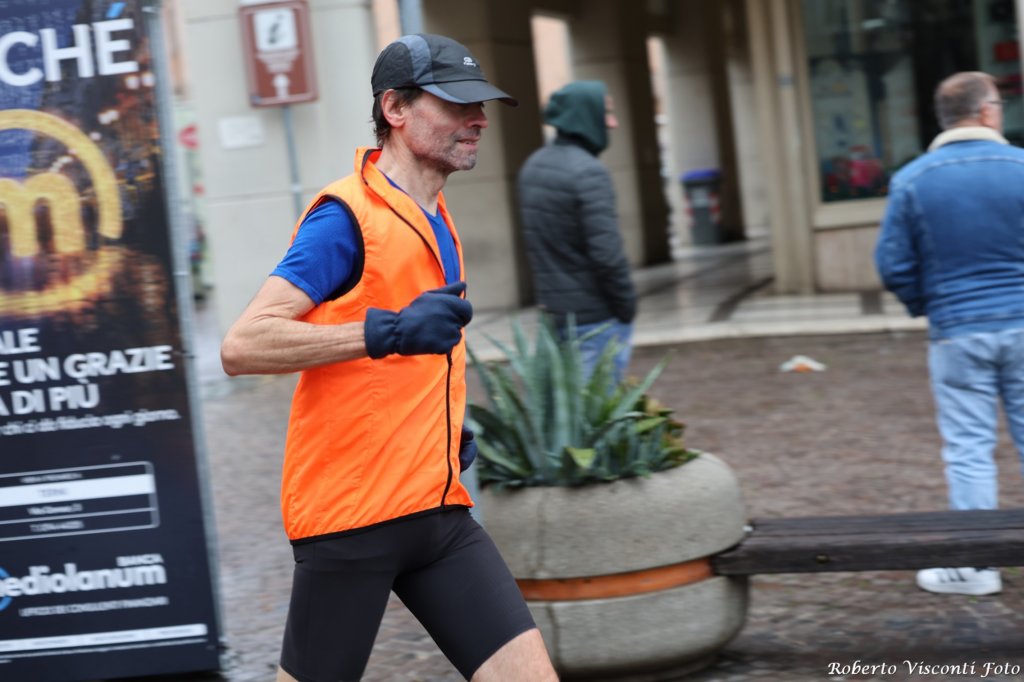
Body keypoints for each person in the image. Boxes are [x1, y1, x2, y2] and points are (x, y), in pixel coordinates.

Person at [221, 34, 559, 682]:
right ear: (395, 109)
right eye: (456, 104)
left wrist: (440, 425)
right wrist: (389, 332)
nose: (478, 119)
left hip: (438, 514)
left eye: (480, 106)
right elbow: (244, 344)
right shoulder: (345, 218)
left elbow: (409, 362)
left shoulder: (435, 215)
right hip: (353, 523)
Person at [875, 71, 1024, 597]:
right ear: (985, 111)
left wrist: (931, 304)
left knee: (969, 448)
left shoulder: (913, 180)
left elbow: (893, 264)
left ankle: (976, 566)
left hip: (957, 330)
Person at [516, 80, 637, 383]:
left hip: (556, 318)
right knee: (597, 409)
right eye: (606, 113)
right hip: (596, 319)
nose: (613, 123)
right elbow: (608, 255)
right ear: (586, 115)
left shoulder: (533, 167)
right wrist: (627, 307)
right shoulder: (588, 172)